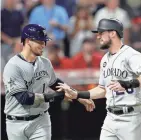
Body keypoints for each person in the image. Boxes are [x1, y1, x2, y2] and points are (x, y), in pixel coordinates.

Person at [3, 24, 94, 140]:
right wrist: (56, 96)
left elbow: (56, 83)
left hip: (41, 120)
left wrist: (79, 96)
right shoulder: (13, 66)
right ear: (28, 41)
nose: (43, 45)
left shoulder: (45, 63)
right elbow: (24, 98)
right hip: (16, 123)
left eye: (44, 42)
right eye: (40, 42)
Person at [57, 18, 141, 140]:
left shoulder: (131, 55)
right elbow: (102, 89)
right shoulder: (105, 59)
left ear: (112, 33)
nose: (98, 36)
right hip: (110, 118)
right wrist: (78, 94)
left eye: (101, 32)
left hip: (131, 117)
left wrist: (128, 83)